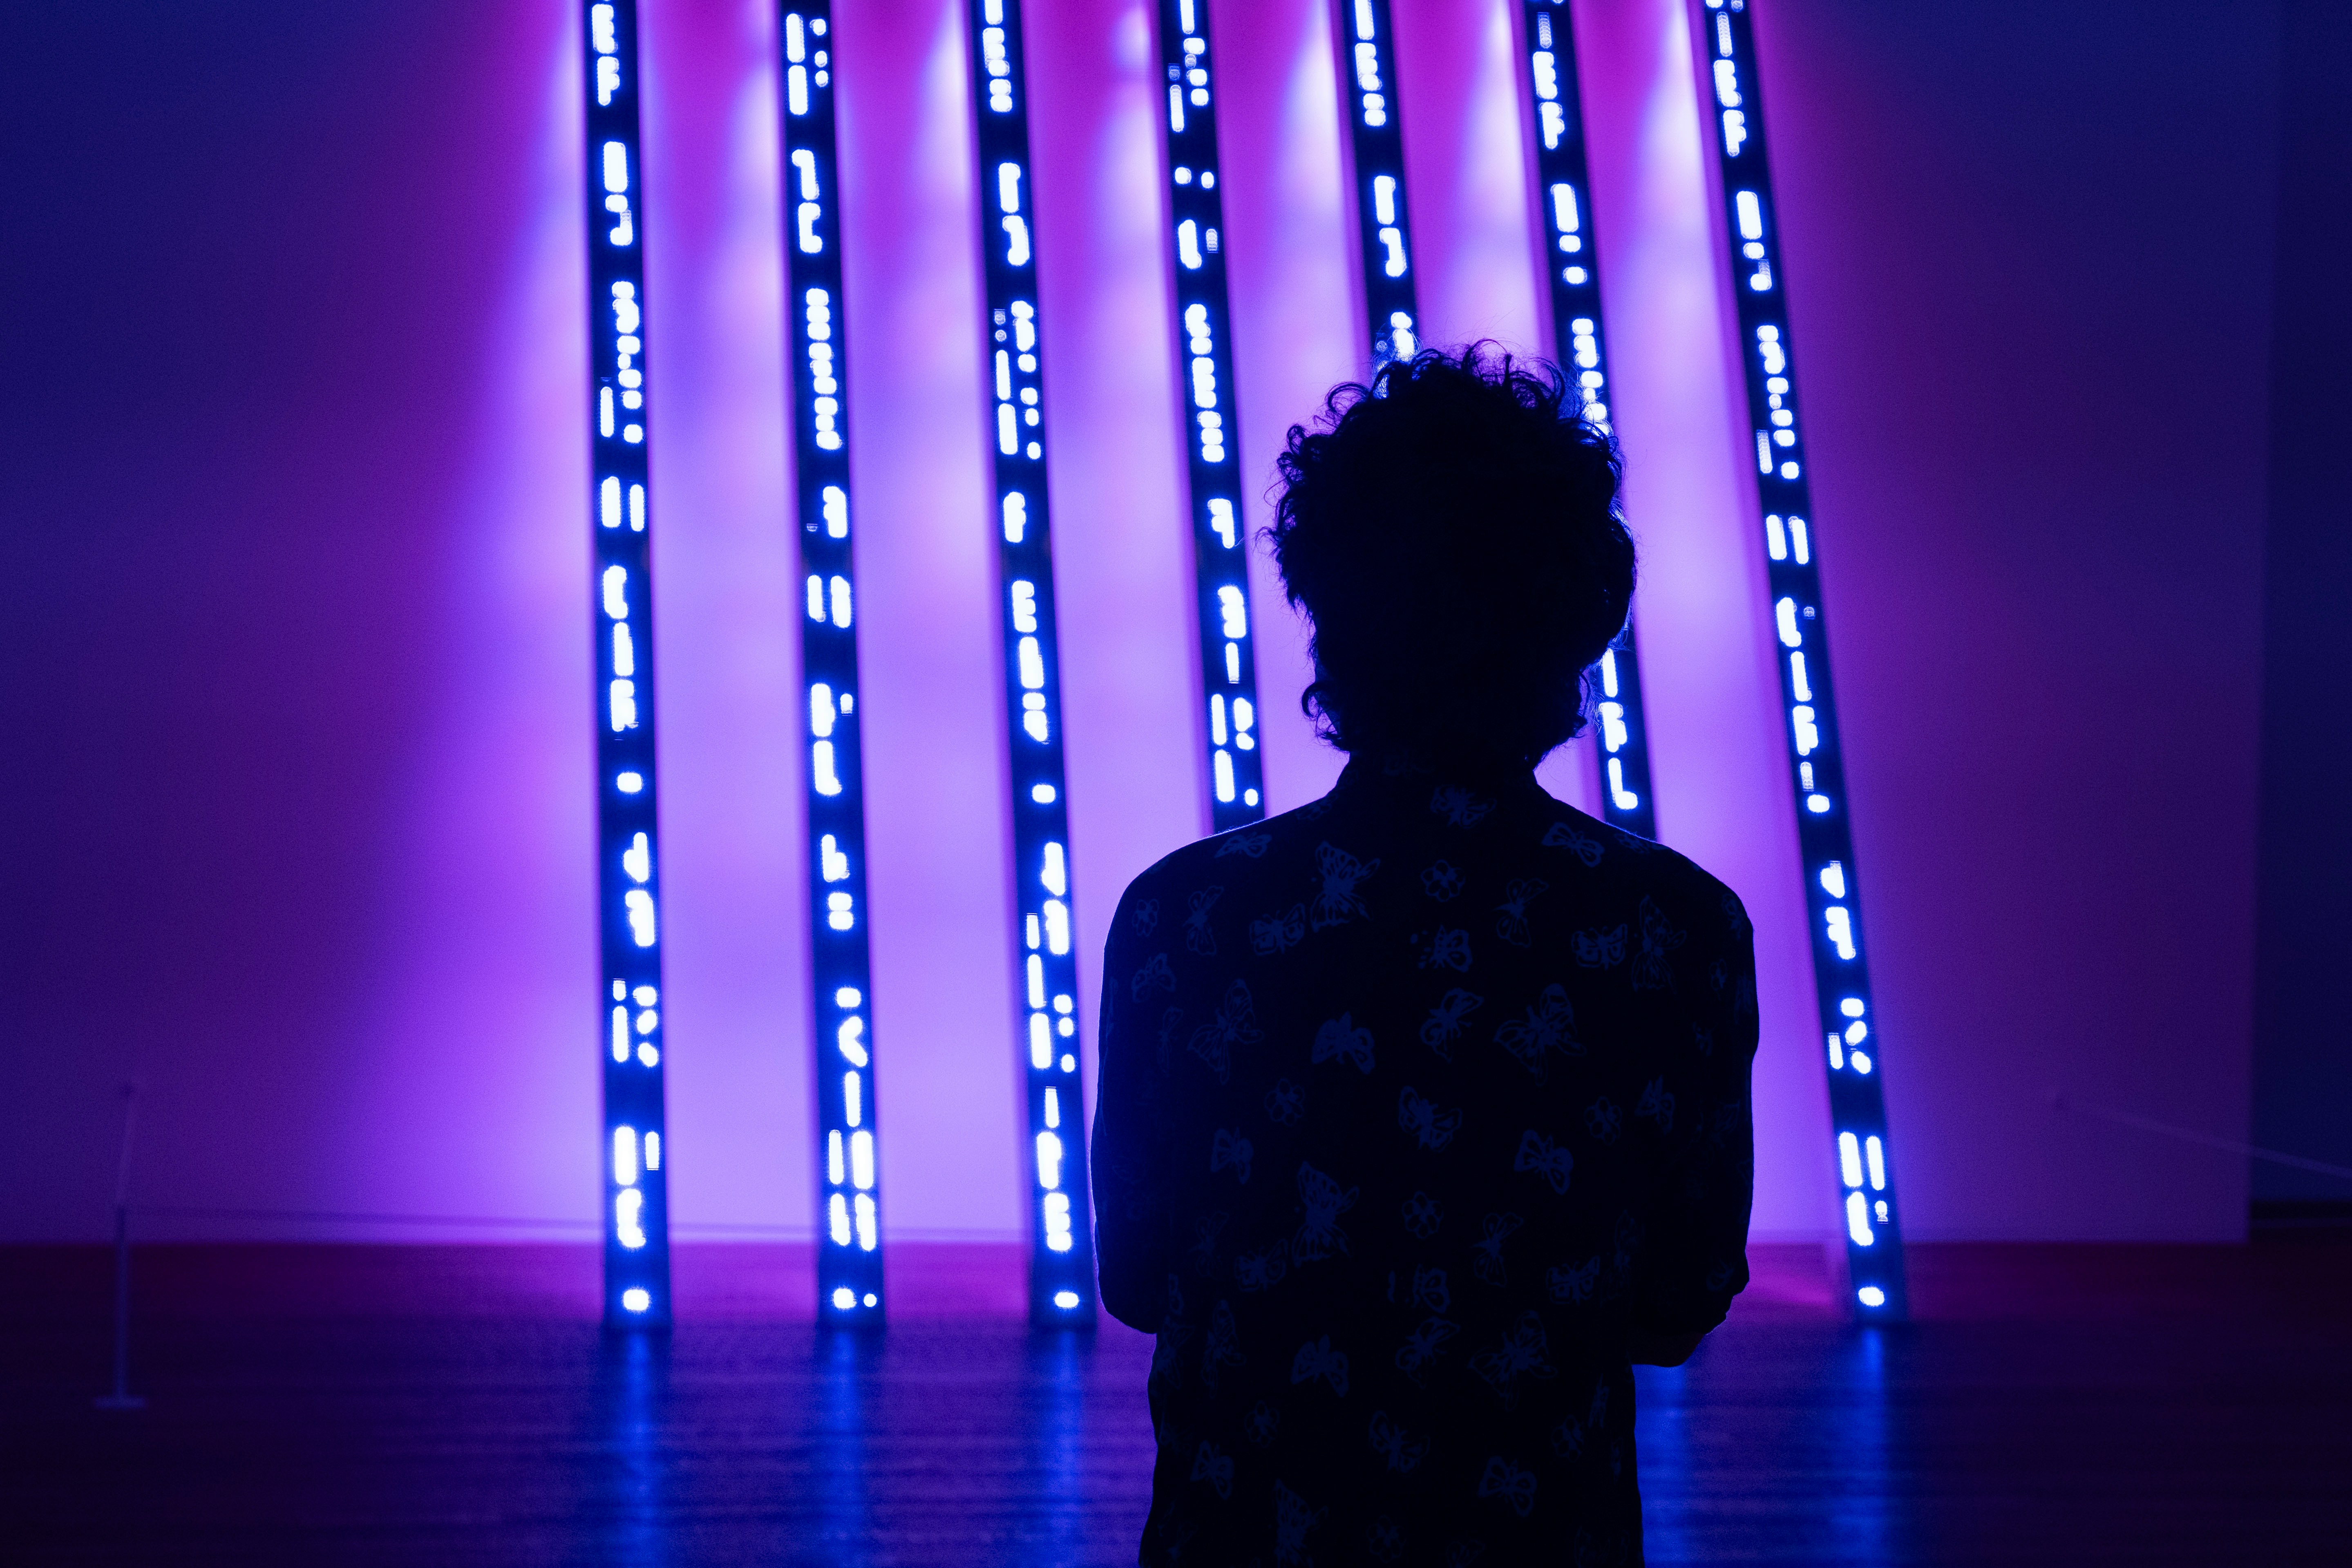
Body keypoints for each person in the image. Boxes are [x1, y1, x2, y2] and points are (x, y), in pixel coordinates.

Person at [1091, 348, 1757, 1566]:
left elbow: (1139, 1278)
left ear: (1327, 613)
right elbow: (1673, 1306)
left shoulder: (1184, 919)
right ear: (1578, 621)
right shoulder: (1673, 932)